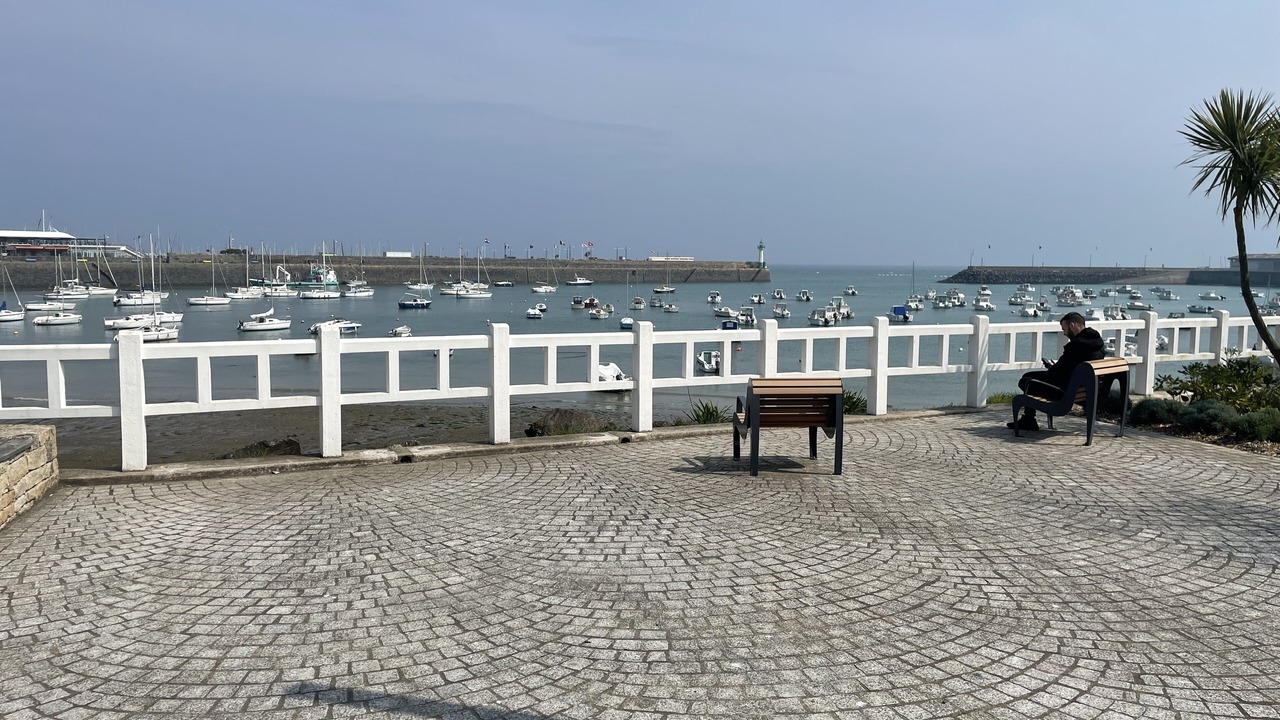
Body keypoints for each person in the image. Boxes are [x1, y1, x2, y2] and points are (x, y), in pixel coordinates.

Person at [1008, 311, 1105, 431]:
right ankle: (1029, 419)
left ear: (1072, 326)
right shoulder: (1097, 344)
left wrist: (1052, 367)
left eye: (1064, 329)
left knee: (1027, 380)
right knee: (1030, 377)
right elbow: (1069, 367)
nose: (1064, 333)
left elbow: (1056, 374)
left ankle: (1029, 419)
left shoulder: (1076, 346)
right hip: (1083, 390)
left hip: (1065, 391)